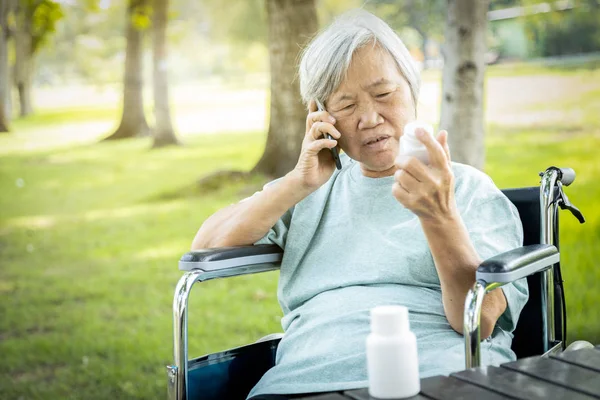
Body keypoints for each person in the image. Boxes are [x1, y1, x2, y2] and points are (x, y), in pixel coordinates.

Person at [192, 10, 528, 400]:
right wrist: (296, 182)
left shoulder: (469, 189)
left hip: (434, 376)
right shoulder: (308, 192)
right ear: (320, 115)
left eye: (384, 94)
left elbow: (480, 322)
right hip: (301, 382)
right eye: (346, 105)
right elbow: (205, 247)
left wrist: (439, 216)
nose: (369, 118)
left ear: (412, 90)